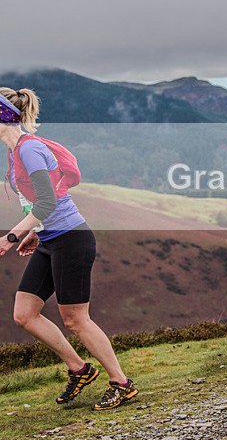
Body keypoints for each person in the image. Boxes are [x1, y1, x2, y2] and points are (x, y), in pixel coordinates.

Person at [0, 87, 138, 410]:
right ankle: (79, 369)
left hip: (71, 239)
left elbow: (47, 201)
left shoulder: (29, 150)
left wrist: (11, 237)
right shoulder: (14, 152)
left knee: (76, 319)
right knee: (24, 313)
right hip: (50, 239)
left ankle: (121, 383)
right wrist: (35, 232)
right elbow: (39, 203)